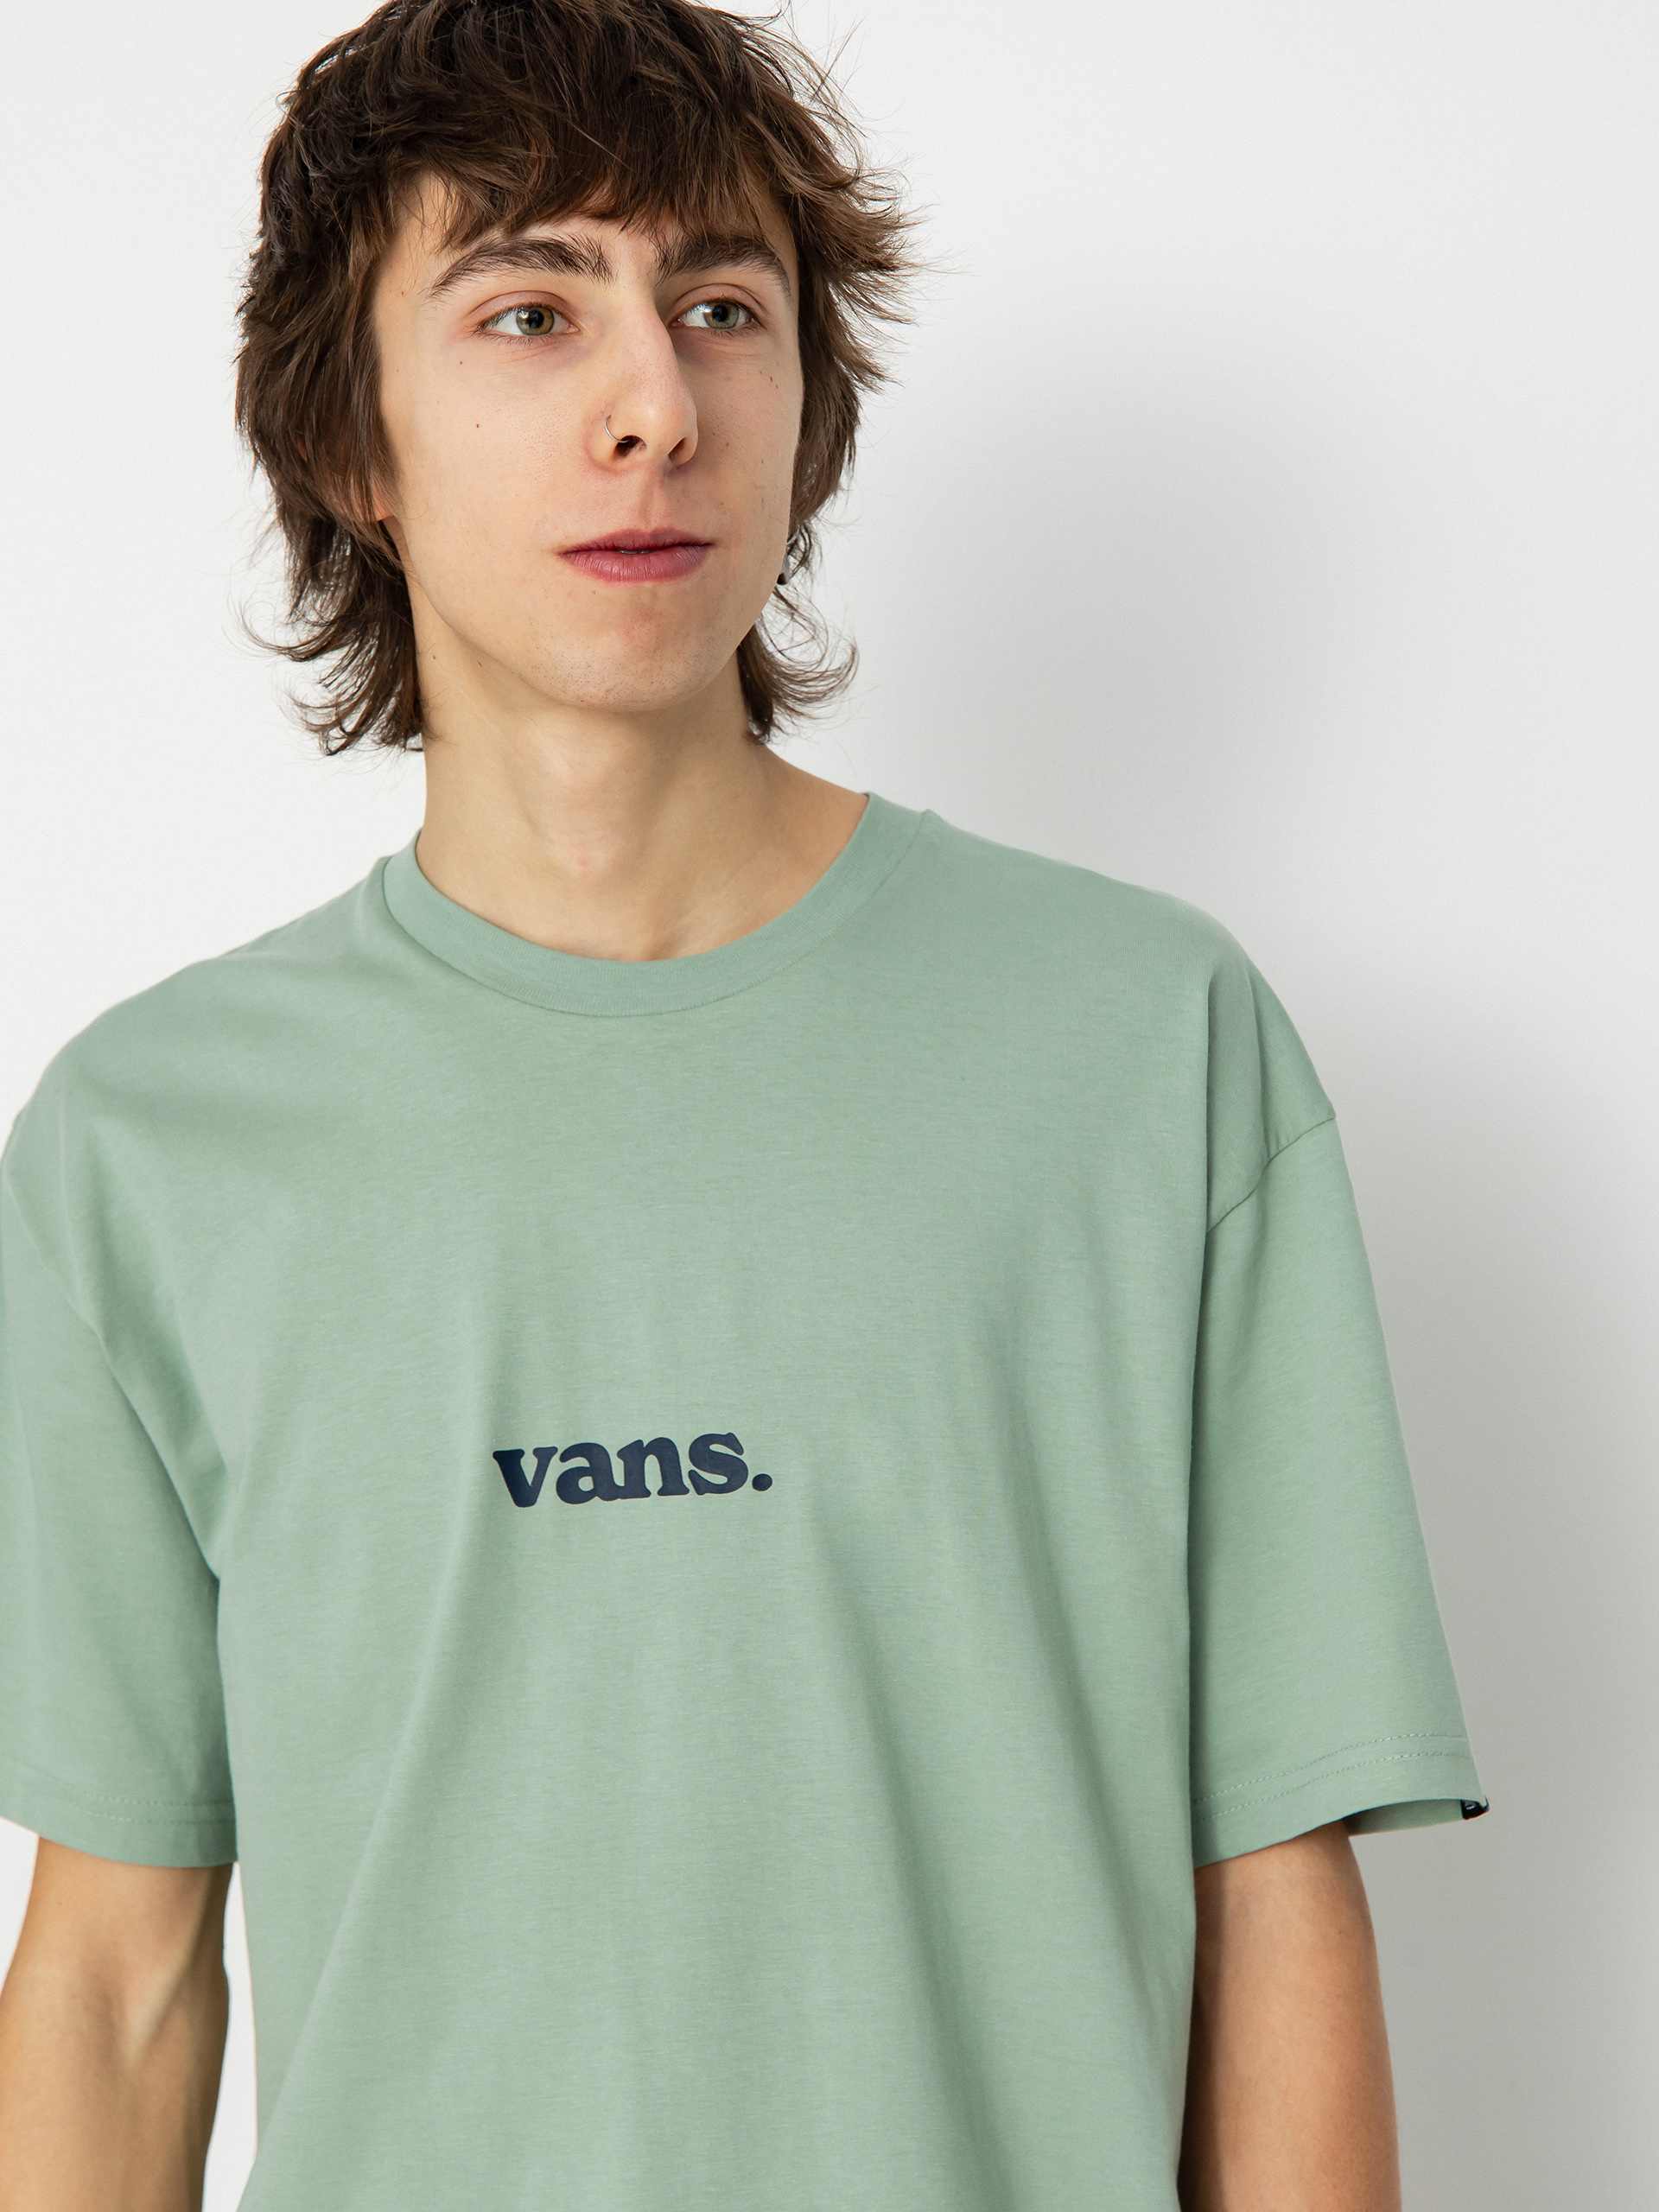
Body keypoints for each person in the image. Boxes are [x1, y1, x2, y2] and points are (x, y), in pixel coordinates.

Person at [0, 2, 1485, 2206]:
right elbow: (117, 1975)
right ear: (348, 441)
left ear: (806, 404)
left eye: (722, 307)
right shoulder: (146, 1144)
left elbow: (1274, 1889)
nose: (656, 407)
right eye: (531, 310)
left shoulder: (1148, 1045)